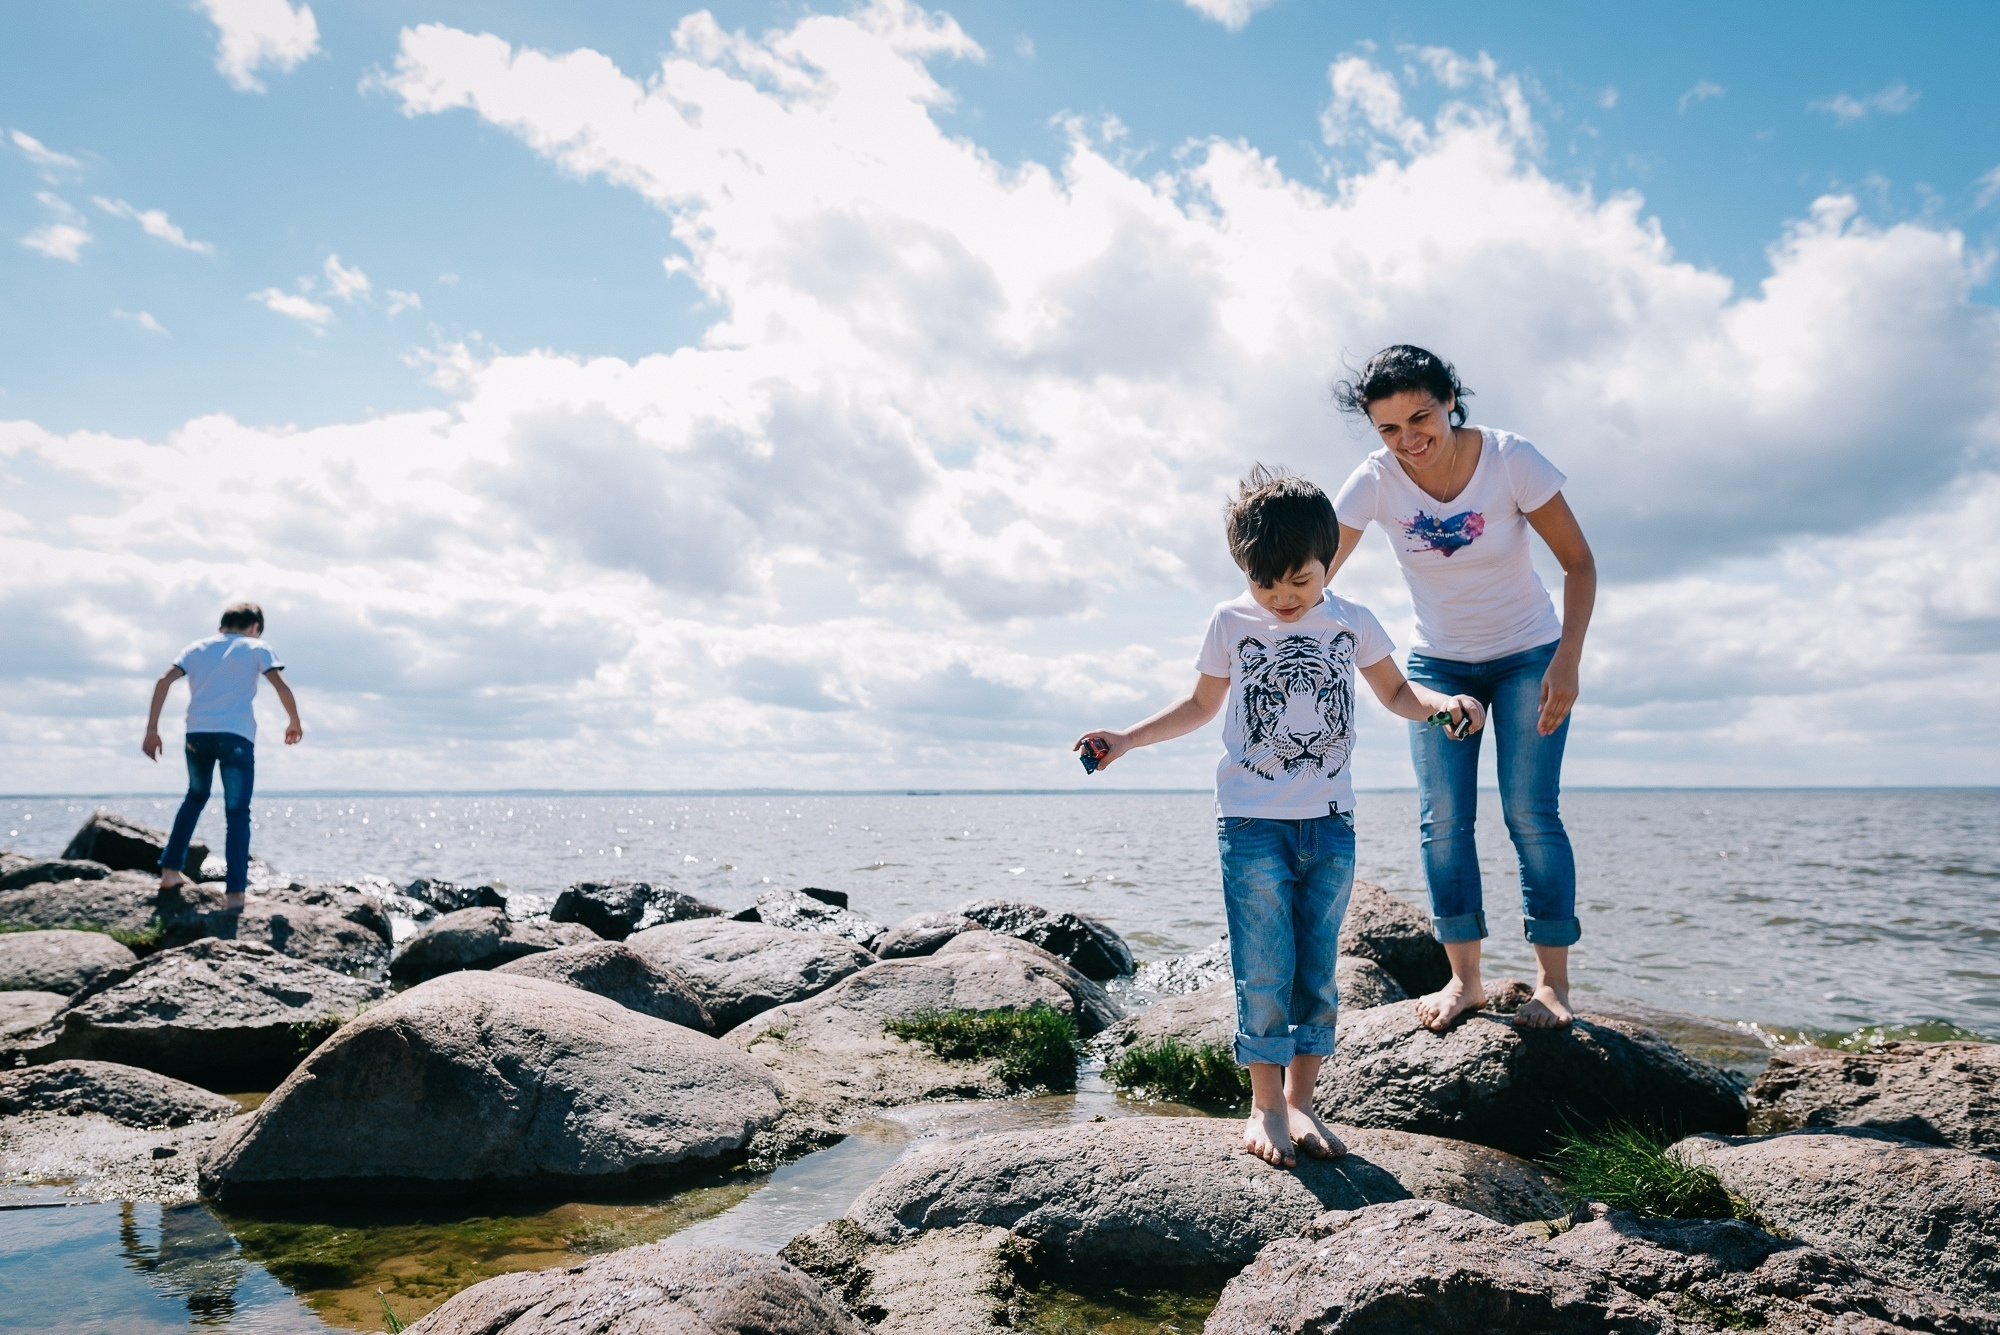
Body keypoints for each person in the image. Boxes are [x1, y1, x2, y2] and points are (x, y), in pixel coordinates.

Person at [1075, 466, 1484, 1168]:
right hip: (1251, 824)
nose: (1284, 597)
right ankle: (1265, 1104)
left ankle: (1302, 1102)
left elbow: (1397, 694)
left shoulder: (1353, 620)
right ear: (1245, 571)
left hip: (1331, 826)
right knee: (1263, 969)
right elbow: (1200, 705)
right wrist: (1127, 739)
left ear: (1329, 559)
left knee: (1317, 973)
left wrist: (1445, 703)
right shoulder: (1230, 622)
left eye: (1299, 580)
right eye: (1266, 584)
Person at [1330, 345, 1597, 1033]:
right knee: (1443, 818)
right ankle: (1465, 980)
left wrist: (1567, 661)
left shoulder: (1511, 458)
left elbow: (1578, 563)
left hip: (1529, 656)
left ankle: (1553, 984)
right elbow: (1314, 569)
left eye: (1420, 417)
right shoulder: (1375, 480)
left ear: (1449, 399)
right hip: (1438, 667)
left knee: (1530, 812)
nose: (1408, 439)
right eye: (1389, 429)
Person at [142, 602, 303, 910]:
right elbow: (280, 686)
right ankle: (235, 894)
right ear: (254, 627)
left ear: (221, 627)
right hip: (236, 735)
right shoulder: (257, 647)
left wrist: (152, 730)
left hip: (197, 734)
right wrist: (294, 721)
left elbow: (163, 680)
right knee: (237, 812)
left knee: (195, 797)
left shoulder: (196, 648)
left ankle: (170, 872)